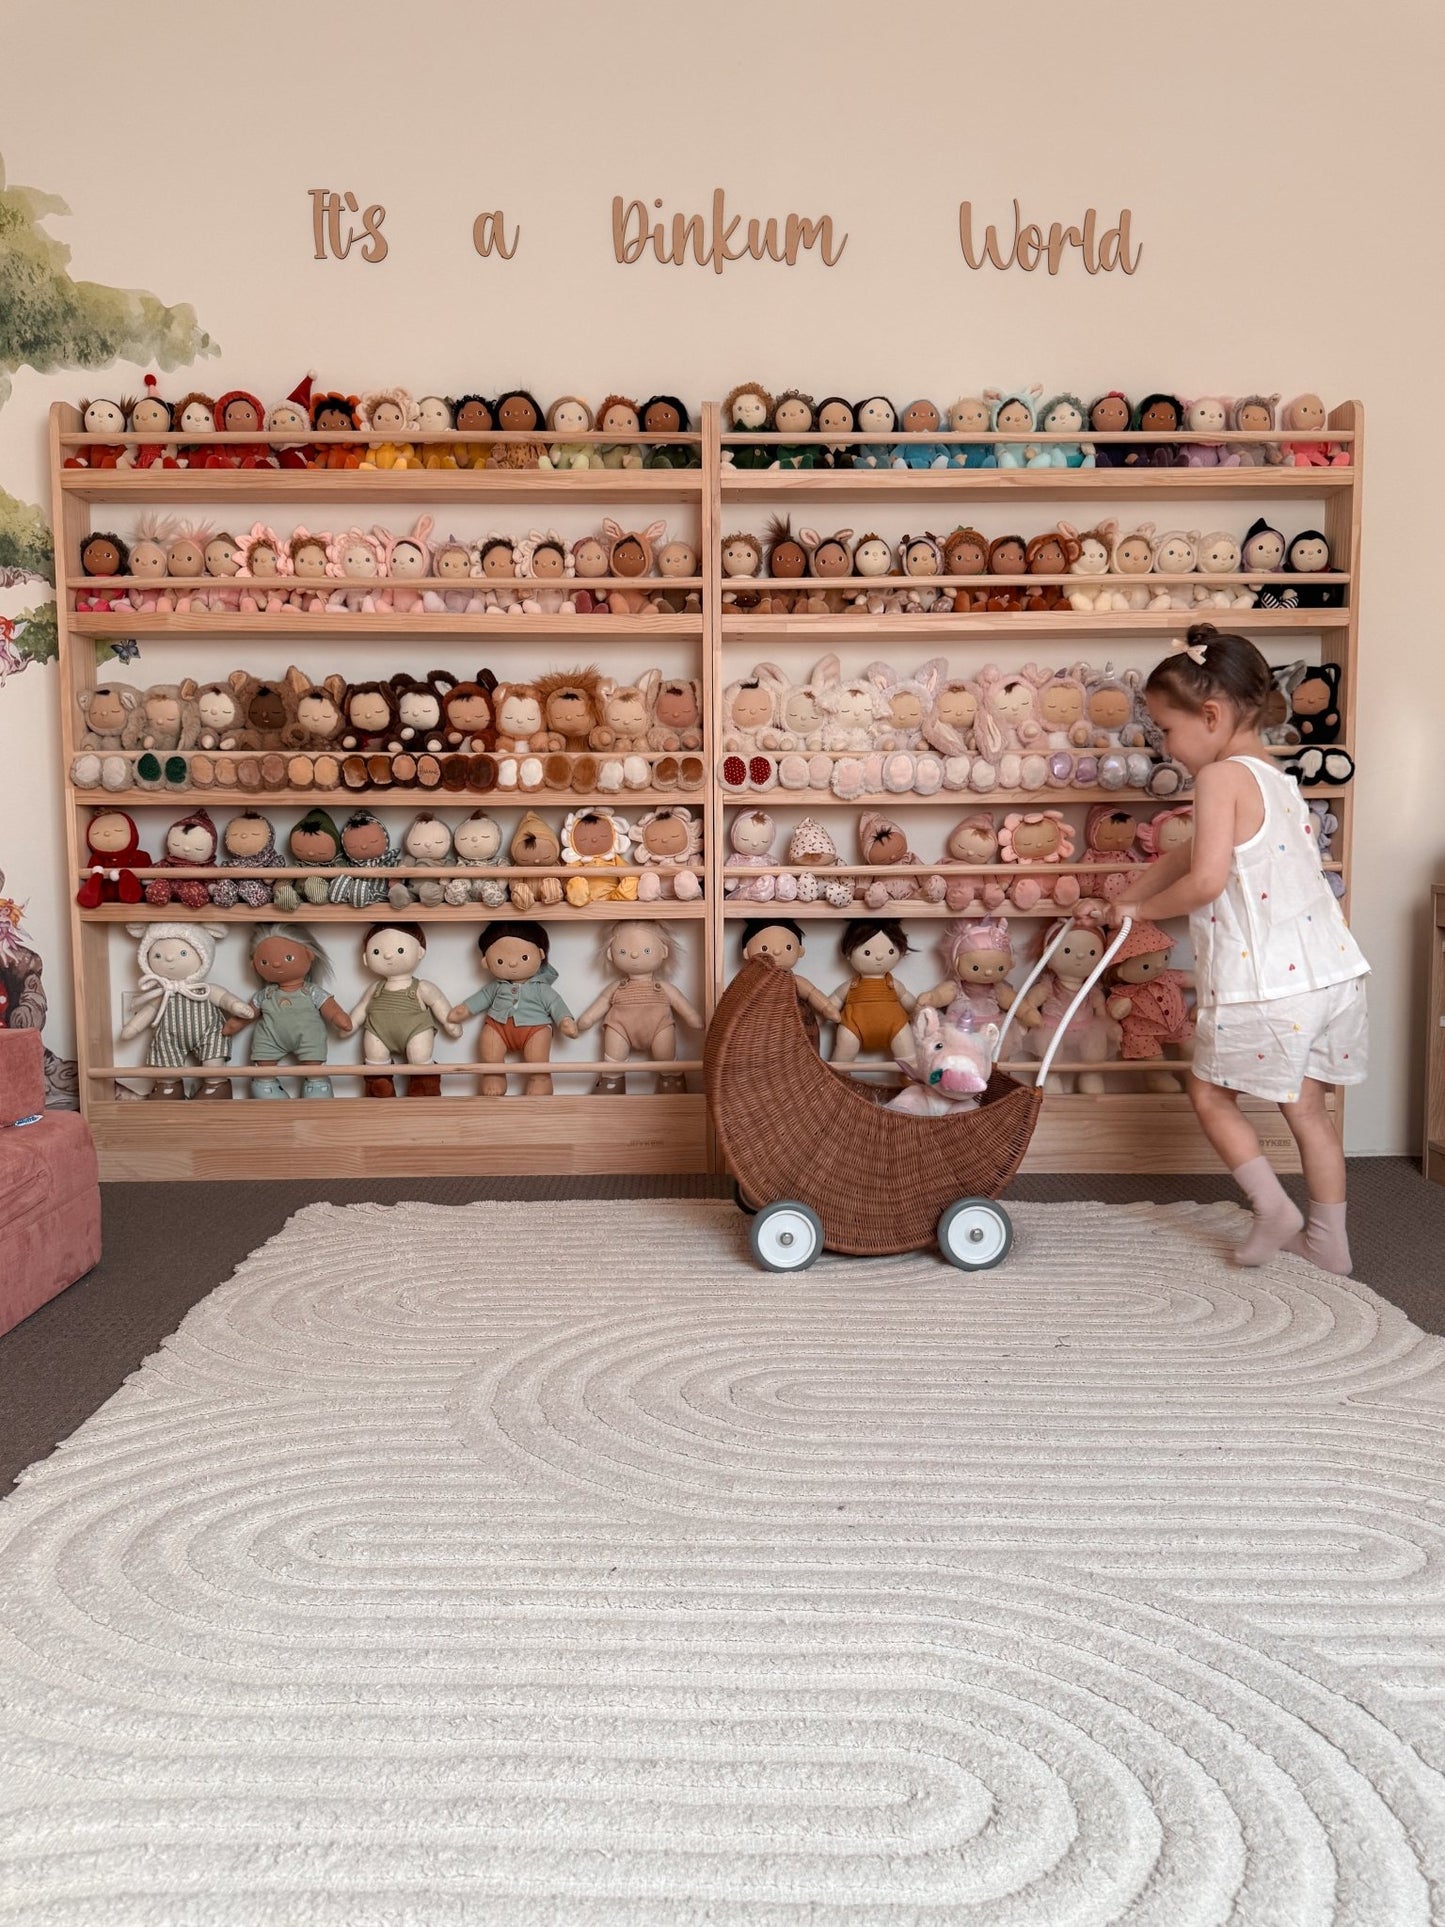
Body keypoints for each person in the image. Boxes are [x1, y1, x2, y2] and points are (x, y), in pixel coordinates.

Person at [1112, 624, 1367, 1274]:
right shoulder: (1275, 780)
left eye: (1167, 729)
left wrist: (1136, 911)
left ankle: (1270, 1205)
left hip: (1269, 983)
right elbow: (1183, 855)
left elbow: (1204, 879)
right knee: (1307, 1110)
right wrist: (1124, 894)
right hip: (1331, 973)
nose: (1164, 744)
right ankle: (1330, 1241)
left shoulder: (1218, 778)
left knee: (1207, 1095)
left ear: (1211, 714)